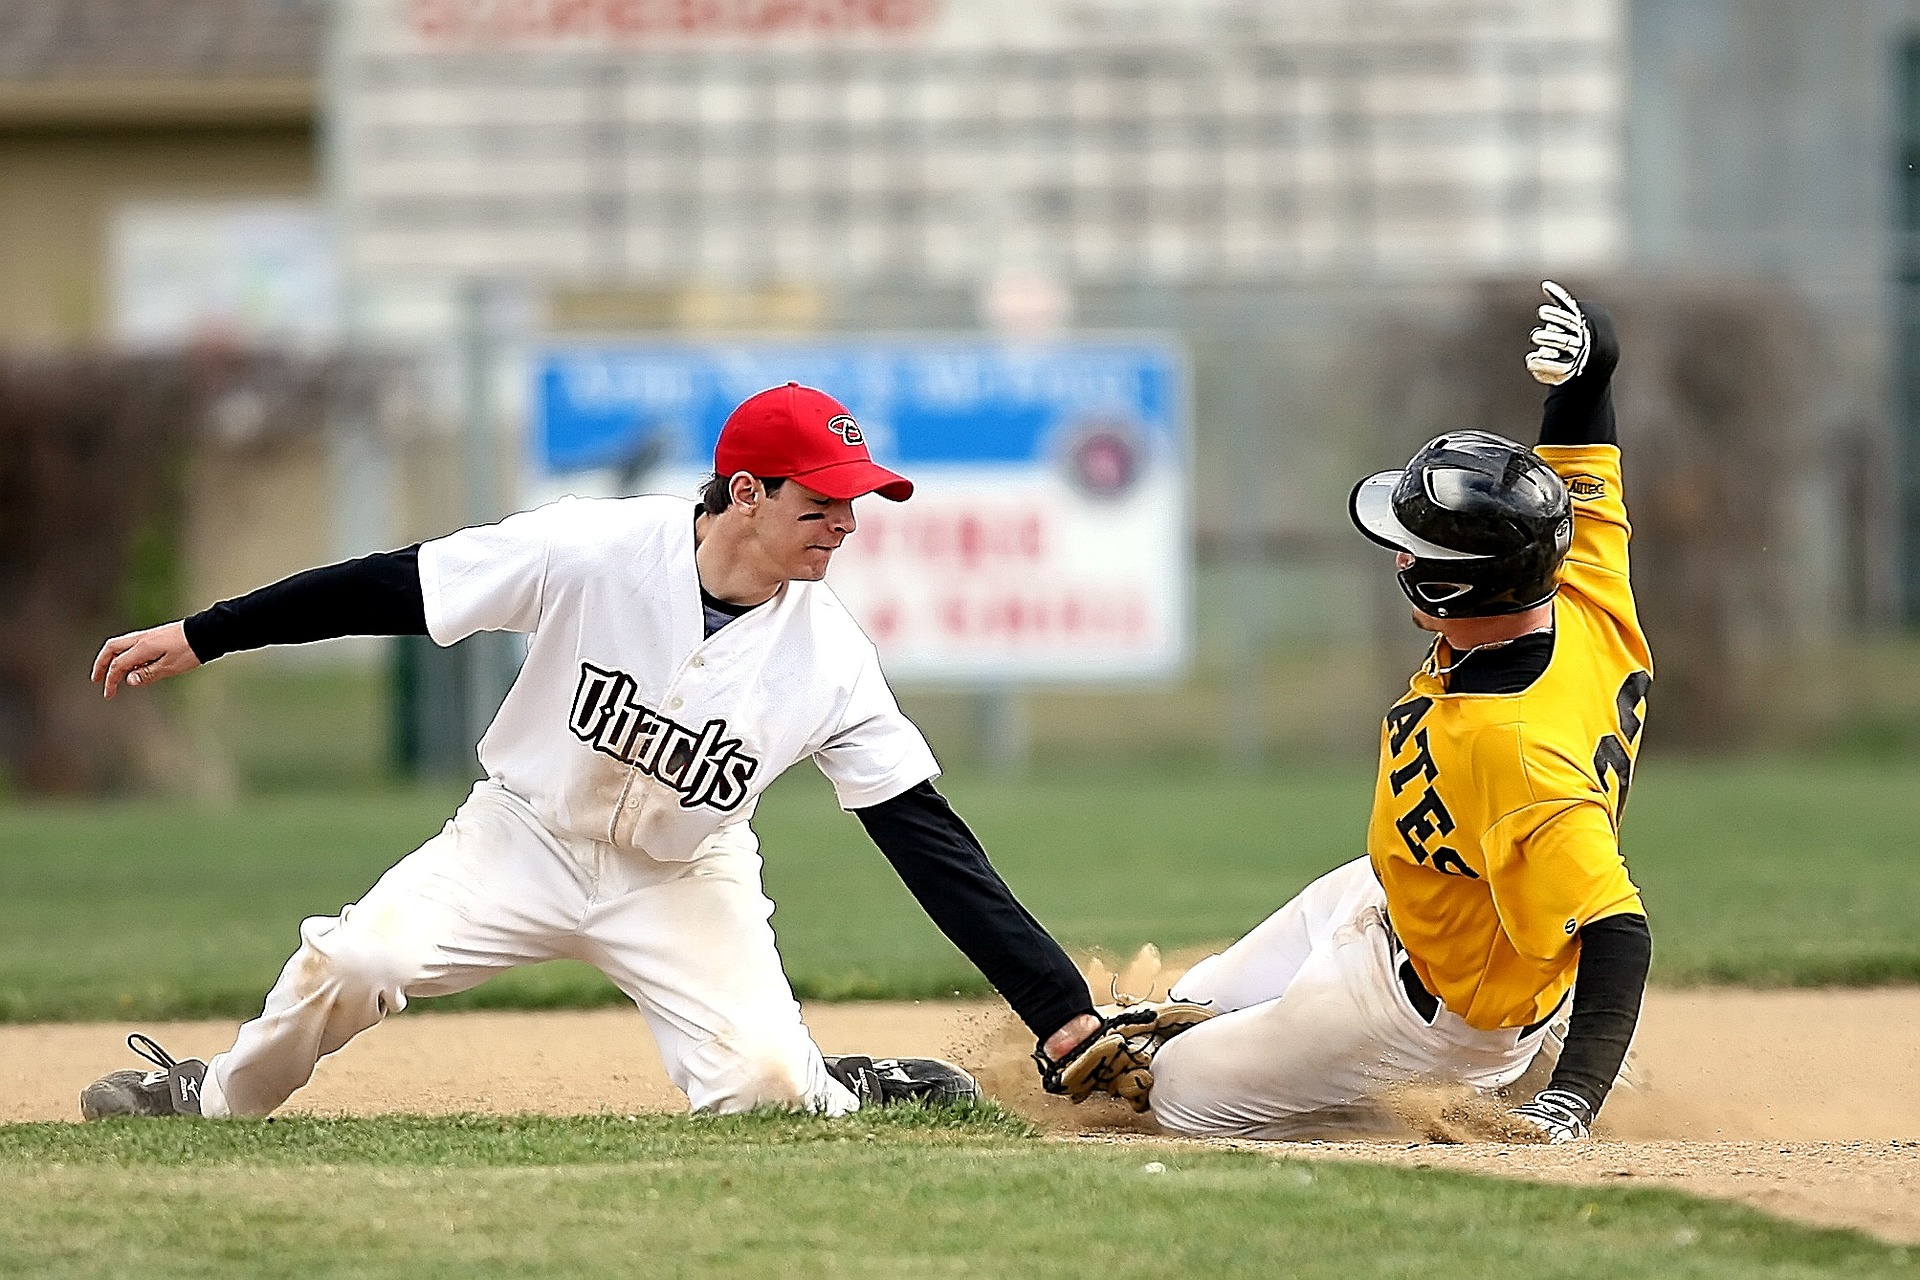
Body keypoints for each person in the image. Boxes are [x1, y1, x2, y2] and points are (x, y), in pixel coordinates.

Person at [81, 381, 1102, 1120]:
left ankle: (832, 1080)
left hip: (680, 877)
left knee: (768, 1095)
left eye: (853, 502)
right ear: (745, 492)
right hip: (521, 837)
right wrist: (207, 632)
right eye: (821, 500)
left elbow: (927, 839)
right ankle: (210, 1095)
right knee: (357, 957)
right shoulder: (594, 549)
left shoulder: (829, 656)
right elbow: (400, 583)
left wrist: (1058, 1008)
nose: (844, 521)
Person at [1040, 282, 1652, 1142]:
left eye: (1412, 549)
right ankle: (1472, 1050)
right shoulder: (1579, 584)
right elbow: (1584, 456)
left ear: (1448, 585)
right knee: (1179, 1010)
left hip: (1429, 1016)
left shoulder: (1516, 748)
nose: (1398, 554)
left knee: (1162, 1096)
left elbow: (1619, 931)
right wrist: (1589, 375)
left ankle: (1474, 1085)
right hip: (1401, 892)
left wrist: (1573, 1103)